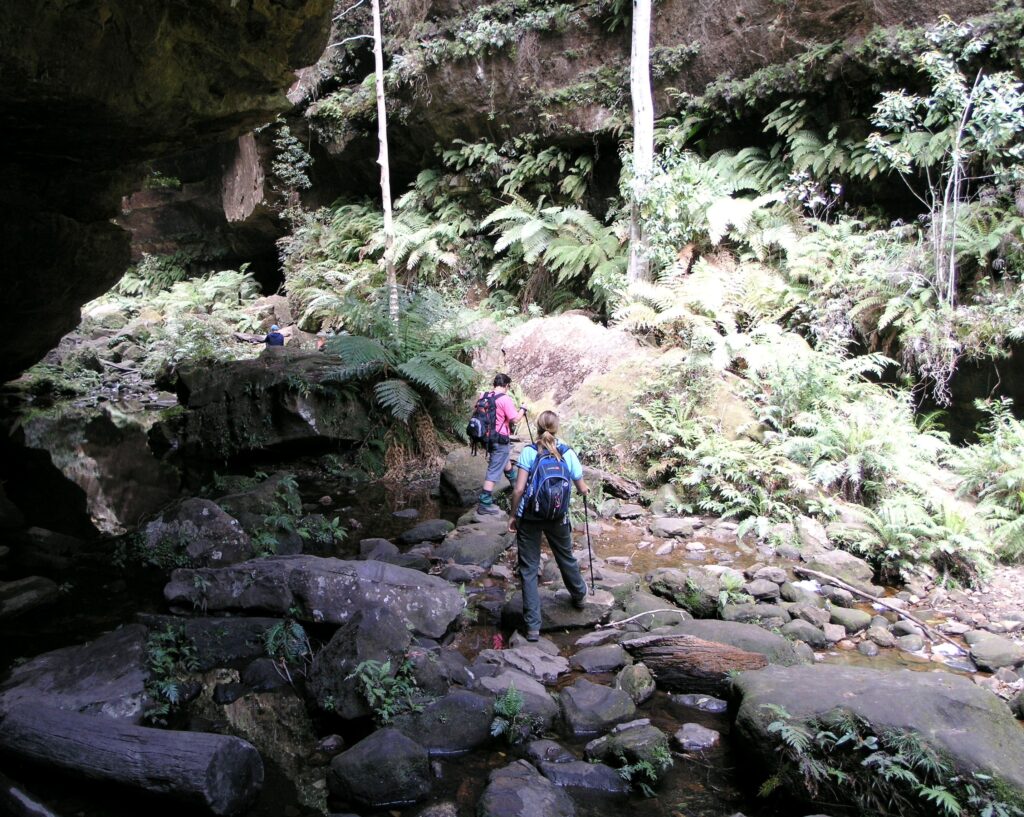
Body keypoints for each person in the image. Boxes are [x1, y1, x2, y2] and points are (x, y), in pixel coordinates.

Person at [508, 410, 590, 641]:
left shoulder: (529, 452)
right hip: (558, 516)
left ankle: (533, 627)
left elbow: (519, 489)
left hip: (530, 517)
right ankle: (580, 596)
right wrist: (585, 491)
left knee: (529, 568)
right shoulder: (566, 452)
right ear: (557, 427)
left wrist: (513, 516)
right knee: (566, 557)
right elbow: (582, 487)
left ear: (537, 427)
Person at [477, 373, 526, 516]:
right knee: (494, 469)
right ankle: (484, 503)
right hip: (500, 438)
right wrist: (523, 409)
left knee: (504, 460)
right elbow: (515, 419)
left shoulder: (484, 395)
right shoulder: (504, 399)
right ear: (506, 385)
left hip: (487, 438)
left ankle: (516, 485)